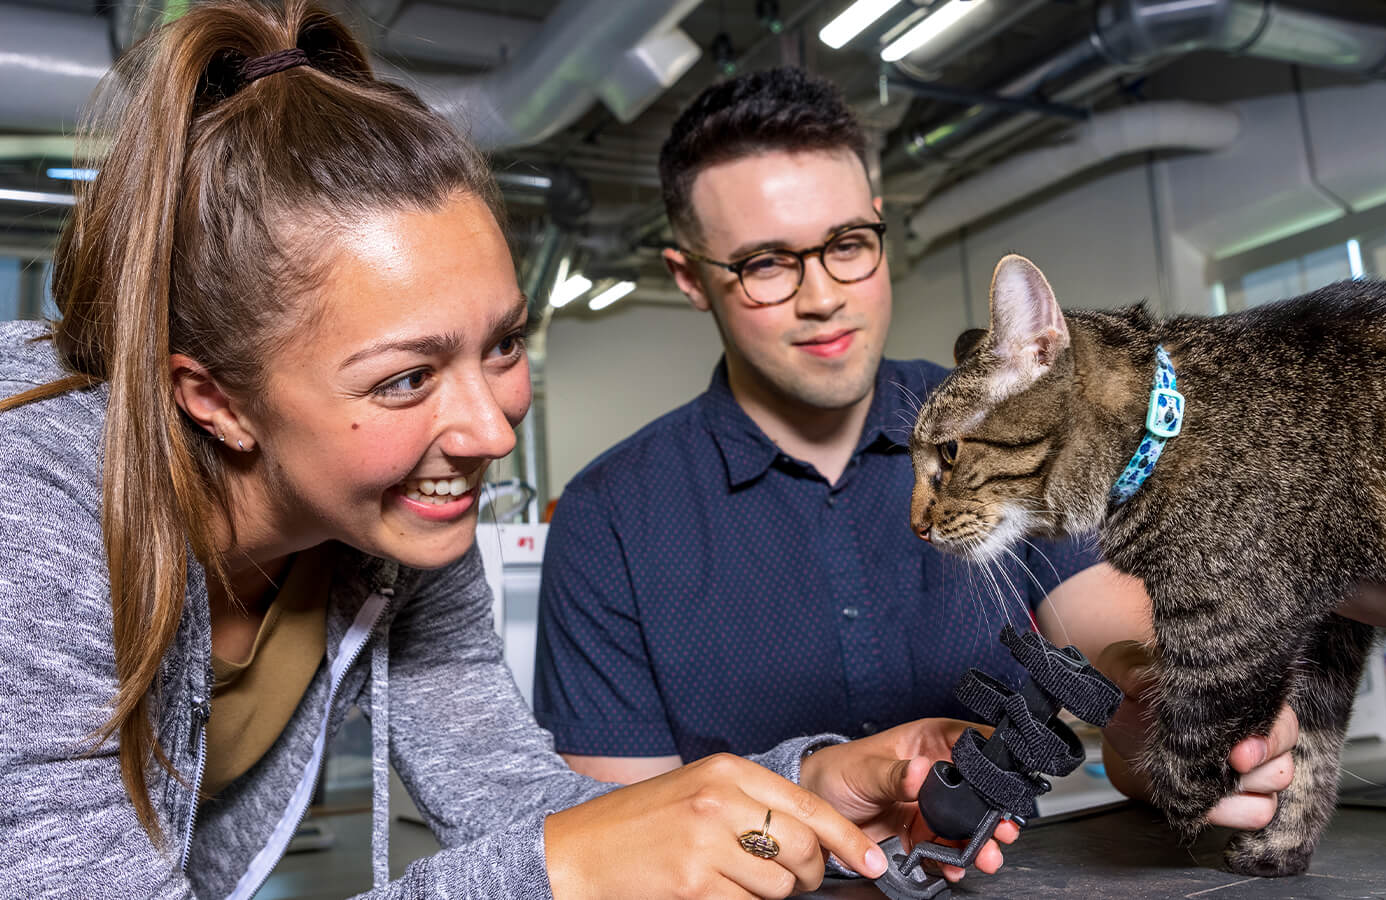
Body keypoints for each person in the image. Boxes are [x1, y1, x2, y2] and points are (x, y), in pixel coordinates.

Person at [0, 5, 1016, 897]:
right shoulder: (35, 505)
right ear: (213, 399)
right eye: (406, 378)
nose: (490, 432)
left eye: (500, 347)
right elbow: (552, 859)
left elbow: (508, 799)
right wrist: (558, 873)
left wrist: (801, 791)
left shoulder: (391, 531)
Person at [531, 66, 1302, 837]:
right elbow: (614, 832)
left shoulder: (1011, 428)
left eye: (848, 243)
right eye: (766, 263)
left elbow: (1116, 643)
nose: (823, 294)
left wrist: (1171, 724)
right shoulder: (611, 518)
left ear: (877, 224)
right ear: (689, 277)